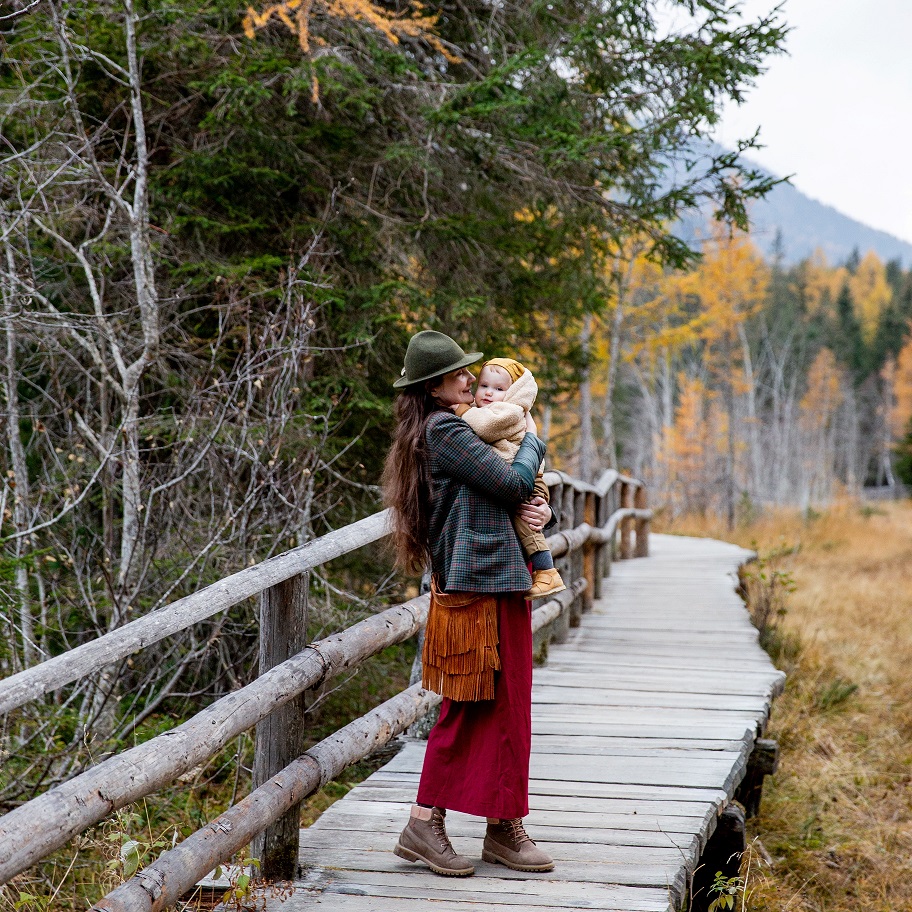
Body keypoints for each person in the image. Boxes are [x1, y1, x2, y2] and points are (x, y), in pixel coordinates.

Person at [382, 330, 556, 877]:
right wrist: (534, 438)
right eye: (460, 374)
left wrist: (539, 514)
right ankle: (422, 818)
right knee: (468, 706)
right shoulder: (444, 431)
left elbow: (506, 496)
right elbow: (510, 482)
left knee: (508, 706)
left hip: (497, 578)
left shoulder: (454, 428)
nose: (470, 379)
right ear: (435, 387)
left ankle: (503, 824)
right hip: (475, 585)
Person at [453, 357, 565, 599]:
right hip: (520, 472)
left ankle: (547, 571)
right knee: (528, 517)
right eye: (484, 386)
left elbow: (484, 427)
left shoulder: (510, 411)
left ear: (514, 392)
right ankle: (545, 571)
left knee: (526, 519)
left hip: (526, 475)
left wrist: (462, 410)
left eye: (499, 389)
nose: (489, 393)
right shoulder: (492, 410)